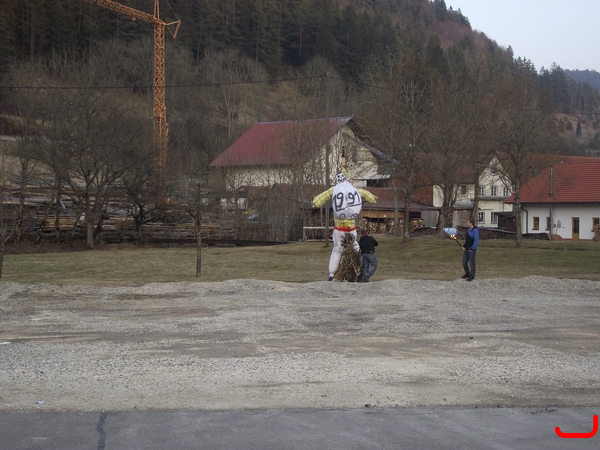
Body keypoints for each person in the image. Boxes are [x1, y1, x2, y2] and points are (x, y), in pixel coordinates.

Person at [312, 172, 377, 280]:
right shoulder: (353, 189)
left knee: (337, 249)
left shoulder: (334, 190)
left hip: (339, 229)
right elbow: (364, 193)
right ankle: (360, 268)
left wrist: (315, 202)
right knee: (355, 246)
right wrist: (372, 198)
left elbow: (323, 196)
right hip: (351, 229)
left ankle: (332, 273)